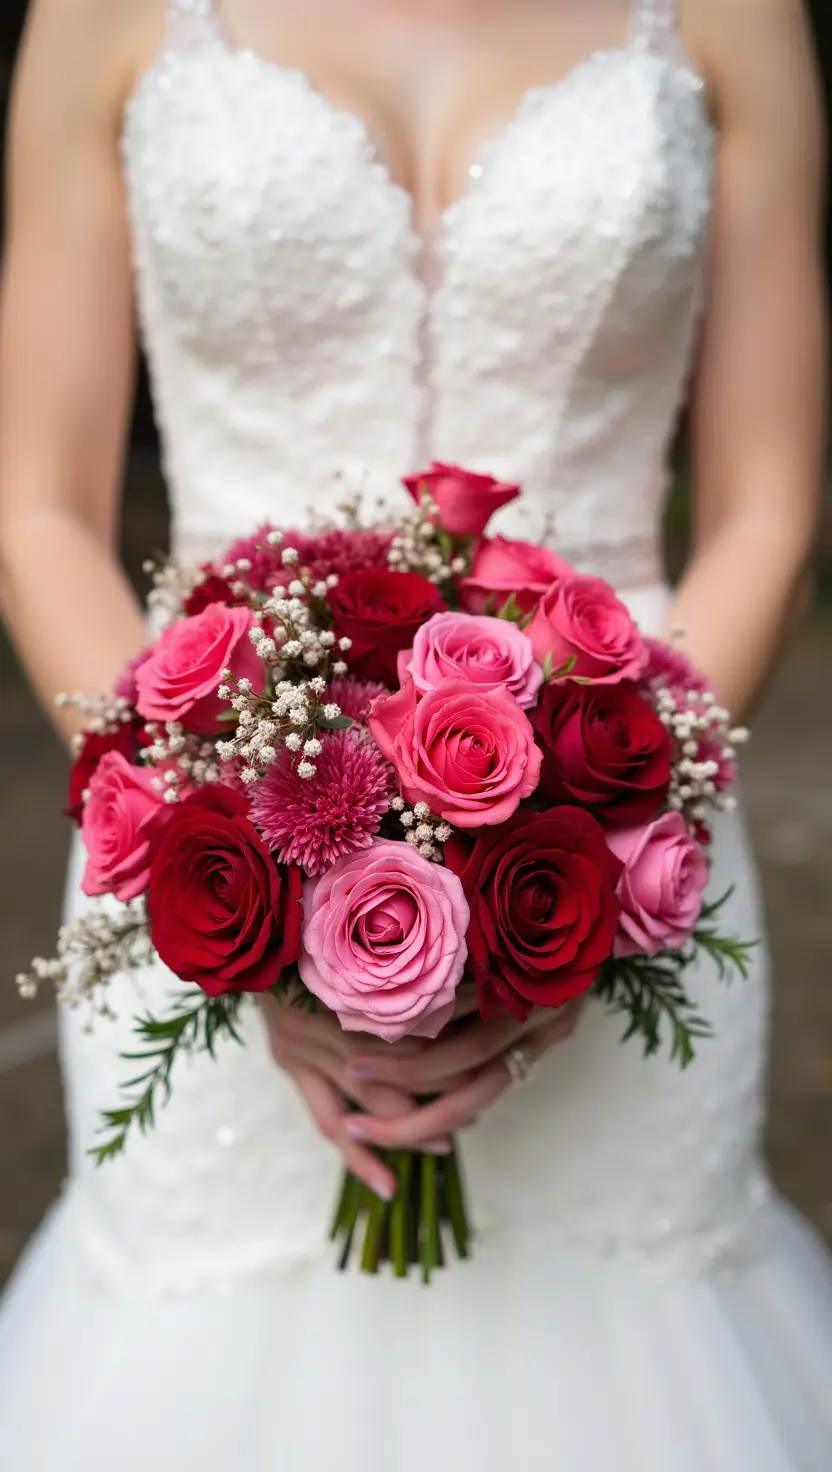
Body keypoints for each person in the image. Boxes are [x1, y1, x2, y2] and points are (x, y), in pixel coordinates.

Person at [0, 0, 830, 1466]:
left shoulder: (734, 15)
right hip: (200, 825)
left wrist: (607, 847)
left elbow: (766, 507)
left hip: (637, 835)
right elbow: (38, 508)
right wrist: (221, 859)